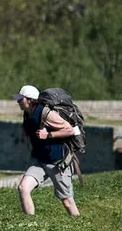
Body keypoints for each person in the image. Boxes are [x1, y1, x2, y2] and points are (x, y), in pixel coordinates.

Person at [13, 85, 80, 217]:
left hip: (58, 162)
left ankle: (79, 225)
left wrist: (48, 135)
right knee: (23, 188)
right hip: (41, 161)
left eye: (21, 99)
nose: (18, 102)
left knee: (66, 201)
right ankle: (30, 224)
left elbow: (70, 130)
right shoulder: (27, 114)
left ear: (30, 100)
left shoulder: (47, 114)